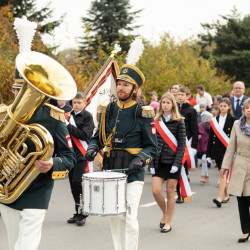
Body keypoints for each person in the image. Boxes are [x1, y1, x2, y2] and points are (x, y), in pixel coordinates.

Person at [0, 68, 76, 250]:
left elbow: (69, 157)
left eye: (25, 90)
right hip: (7, 190)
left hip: (37, 190)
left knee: (26, 246)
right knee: (13, 244)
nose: (21, 96)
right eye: (18, 90)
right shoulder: (3, 115)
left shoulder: (53, 117)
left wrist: (52, 164)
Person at [85, 64, 158, 250]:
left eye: (126, 85)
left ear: (135, 90)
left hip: (133, 172)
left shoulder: (143, 113)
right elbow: (98, 137)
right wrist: (93, 147)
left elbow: (152, 146)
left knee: (130, 215)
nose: (121, 88)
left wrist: (141, 159)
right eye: (119, 84)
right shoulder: (107, 110)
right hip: (111, 171)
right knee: (115, 216)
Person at [151, 93, 186, 233]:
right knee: (155, 191)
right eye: (163, 102)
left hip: (173, 163)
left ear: (173, 105)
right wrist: (152, 164)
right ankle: (164, 213)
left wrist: (177, 164)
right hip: (159, 162)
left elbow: (182, 145)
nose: (165, 105)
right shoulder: (155, 120)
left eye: (168, 102)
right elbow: (152, 143)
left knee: (170, 192)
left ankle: (168, 222)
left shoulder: (179, 121)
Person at [220, 98, 250, 243]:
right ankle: (245, 231)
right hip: (240, 165)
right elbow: (231, 147)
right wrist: (225, 166)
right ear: (244, 110)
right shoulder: (237, 125)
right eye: (247, 108)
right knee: (242, 200)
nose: (249, 110)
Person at [65, 92, 95, 226]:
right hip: (70, 154)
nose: (76, 105)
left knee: (78, 182)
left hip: (82, 154)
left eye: (79, 102)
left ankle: (84, 212)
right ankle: (77, 211)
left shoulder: (88, 116)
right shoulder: (68, 116)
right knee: (72, 184)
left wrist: (68, 126)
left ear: (85, 103)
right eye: (74, 103)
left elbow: (84, 135)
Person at [206, 98, 236, 207]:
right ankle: (227, 194)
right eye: (221, 105)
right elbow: (210, 139)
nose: (222, 108)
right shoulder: (214, 121)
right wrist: (208, 154)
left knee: (223, 173)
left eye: (225, 106)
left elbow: (235, 137)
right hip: (217, 151)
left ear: (228, 107)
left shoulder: (233, 120)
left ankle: (219, 198)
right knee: (222, 173)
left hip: (228, 151)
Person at [176, 87, 198, 203]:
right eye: (178, 94)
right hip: (174, 141)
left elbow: (195, 128)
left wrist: (194, 146)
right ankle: (178, 191)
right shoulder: (173, 108)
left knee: (182, 168)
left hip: (187, 143)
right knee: (175, 168)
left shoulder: (191, 110)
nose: (180, 96)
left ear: (188, 96)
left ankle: (181, 194)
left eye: (182, 94)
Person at [197, 111, 212, 183]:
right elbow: (195, 135)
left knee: (204, 159)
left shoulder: (211, 126)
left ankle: (203, 175)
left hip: (208, 147)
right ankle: (207, 175)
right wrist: (197, 137)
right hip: (200, 147)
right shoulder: (199, 126)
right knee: (203, 160)